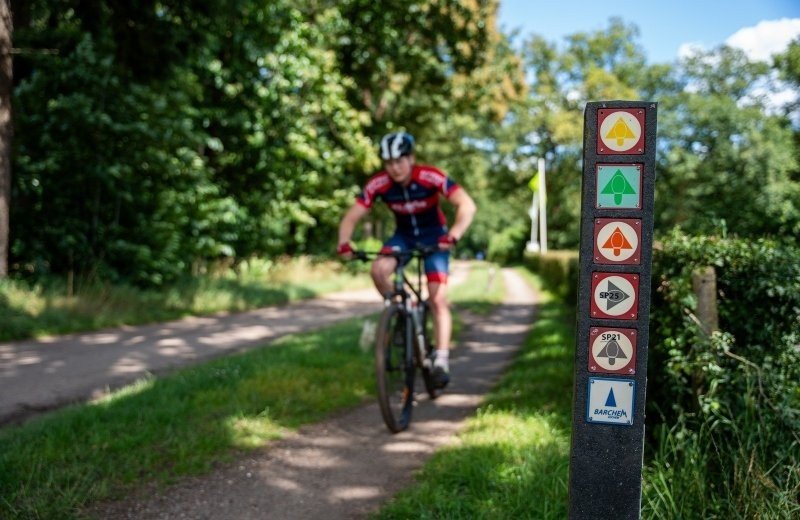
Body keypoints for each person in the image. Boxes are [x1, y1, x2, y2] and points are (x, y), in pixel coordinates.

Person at [337, 131, 476, 389]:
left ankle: (442, 360)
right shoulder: (379, 184)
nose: (395, 168)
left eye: (400, 160)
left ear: (411, 158)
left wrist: (454, 235)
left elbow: (467, 205)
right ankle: (402, 310)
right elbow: (351, 216)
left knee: (437, 298)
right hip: (403, 237)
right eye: (389, 163)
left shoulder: (430, 176)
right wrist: (344, 243)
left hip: (435, 237)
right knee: (378, 270)